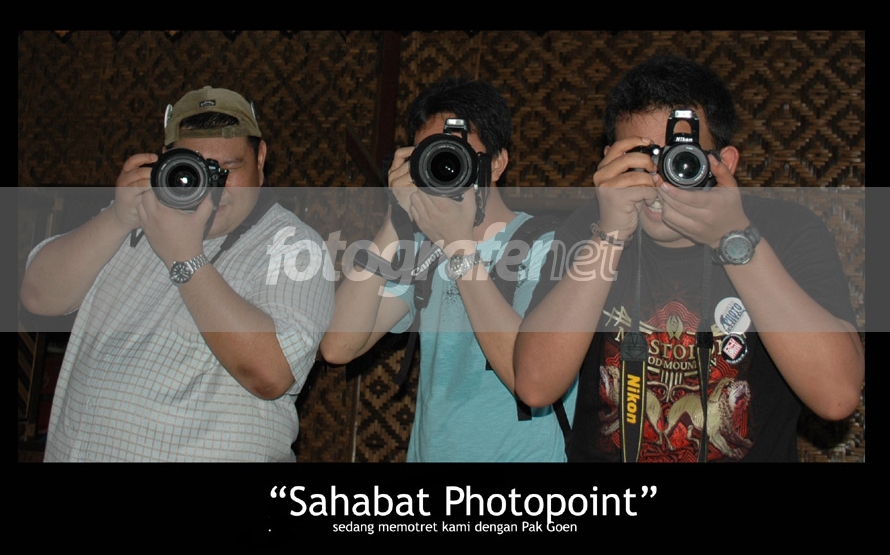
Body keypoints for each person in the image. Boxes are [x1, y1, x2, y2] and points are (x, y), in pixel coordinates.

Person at [514, 55, 864, 462]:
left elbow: (836, 396)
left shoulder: (786, 231)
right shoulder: (588, 229)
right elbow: (536, 386)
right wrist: (609, 235)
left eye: (681, 158)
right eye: (641, 157)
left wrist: (735, 241)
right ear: (609, 162)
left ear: (725, 163)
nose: (660, 179)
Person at [20, 86, 335, 462]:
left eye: (229, 167)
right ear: (166, 161)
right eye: (196, 168)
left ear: (261, 159)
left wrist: (184, 256)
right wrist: (117, 218)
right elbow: (38, 297)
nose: (214, 186)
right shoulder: (135, 219)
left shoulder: (294, 245)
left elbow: (271, 374)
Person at [320, 76, 574, 462]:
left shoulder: (550, 246)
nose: (445, 168)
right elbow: (338, 346)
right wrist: (396, 219)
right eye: (433, 157)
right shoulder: (424, 249)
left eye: (457, 156)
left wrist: (458, 244)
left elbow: (529, 377)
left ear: (497, 163)